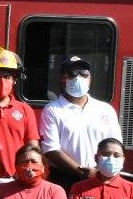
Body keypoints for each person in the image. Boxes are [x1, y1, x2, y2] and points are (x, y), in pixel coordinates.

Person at [39, 56, 122, 189]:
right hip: (64, 180)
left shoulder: (106, 109)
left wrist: (100, 171)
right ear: (62, 78)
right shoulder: (52, 110)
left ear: (90, 79)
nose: (78, 77)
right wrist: (83, 172)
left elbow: (116, 146)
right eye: (72, 74)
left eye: (83, 74)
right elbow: (51, 149)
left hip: (101, 178)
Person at [0, 48, 40, 181]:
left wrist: (26, 173)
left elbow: (32, 148)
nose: (2, 81)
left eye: (7, 77)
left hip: (19, 180)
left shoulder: (25, 110)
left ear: (15, 80)